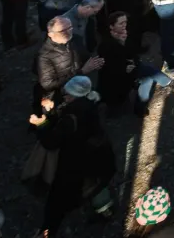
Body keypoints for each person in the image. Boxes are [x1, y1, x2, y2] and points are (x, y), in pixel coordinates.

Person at [34, 75, 116, 236]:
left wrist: (42, 123)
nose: (64, 96)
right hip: (100, 158)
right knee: (98, 188)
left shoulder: (72, 116)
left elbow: (51, 141)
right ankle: (106, 213)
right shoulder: (91, 105)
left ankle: (47, 231)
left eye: (67, 94)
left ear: (74, 96)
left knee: (57, 203)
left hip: (77, 164)